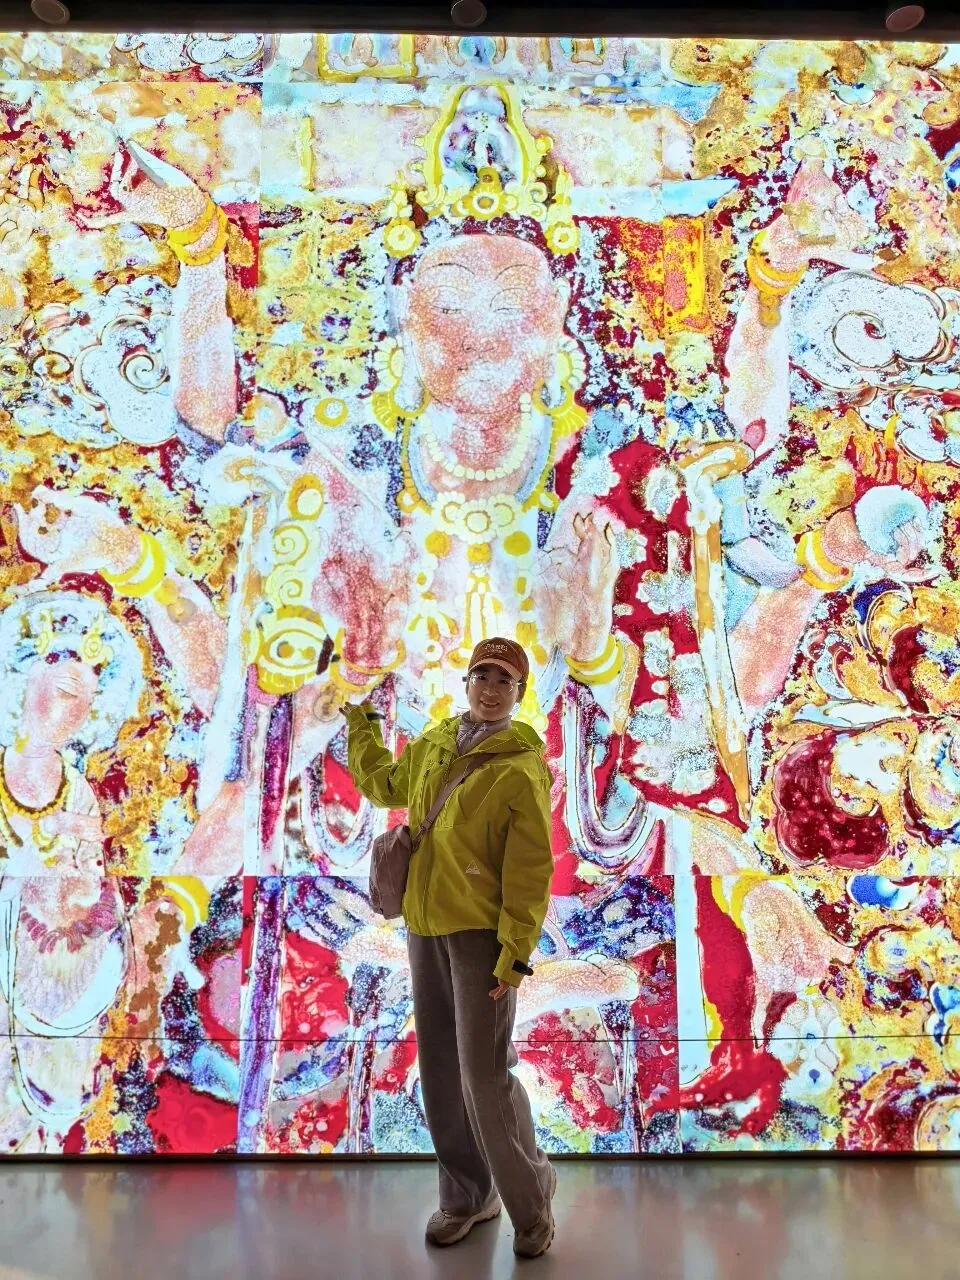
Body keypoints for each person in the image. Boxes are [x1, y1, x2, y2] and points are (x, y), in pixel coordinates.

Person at [343, 636, 557, 1258]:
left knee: (485, 1077)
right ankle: (467, 1196)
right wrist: (362, 727)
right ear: (466, 683)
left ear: (519, 694)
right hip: (425, 925)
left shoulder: (520, 769)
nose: (490, 689)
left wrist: (515, 951)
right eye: (482, 676)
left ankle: (532, 1206)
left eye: (504, 681)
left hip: (482, 937)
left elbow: (530, 871)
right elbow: (385, 786)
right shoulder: (436, 743)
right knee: (439, 1068)